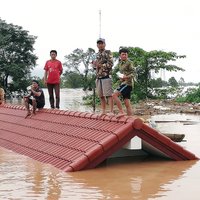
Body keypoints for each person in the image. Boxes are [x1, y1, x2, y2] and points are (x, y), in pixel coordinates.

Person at [92, 38, 114, 116]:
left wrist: (100, 65)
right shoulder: (96, 54)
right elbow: (94, 67)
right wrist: (94, 65)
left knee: (109, 94)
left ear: (104, 44)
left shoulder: (108, 52)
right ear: (97, 45)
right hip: (98, 76)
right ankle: (103, 111)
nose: (100, 45)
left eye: (101, 43)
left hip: (106, 76)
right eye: (98, 43)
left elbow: (110, 64)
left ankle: (111, 111)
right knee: (101, 95)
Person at [112, 48, 135, 117]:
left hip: (128, 83)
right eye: (123, 54)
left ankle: (121, 112)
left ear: (127, 55)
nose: (124, 56)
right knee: (127, 103)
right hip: (123, 82)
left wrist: (126, 77)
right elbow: (121, 73)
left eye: (125, 54)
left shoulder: (129, 62)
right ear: (120, 55)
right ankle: (130, 118)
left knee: (114, 95)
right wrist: (121, 77)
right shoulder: (120, 63)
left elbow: (134, 73)